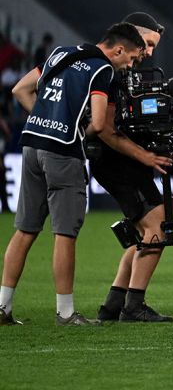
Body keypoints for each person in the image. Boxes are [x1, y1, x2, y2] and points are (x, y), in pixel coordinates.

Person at [1, 24, 146, 326]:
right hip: (63, 154)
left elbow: (21, 90)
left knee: (25, 230)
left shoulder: (60, 54)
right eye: (131, 58)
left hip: (31, 146)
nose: (129, 65)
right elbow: (100, 124)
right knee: (65, 233)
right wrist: (79, 129)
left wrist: (44, 119)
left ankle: (2, 307)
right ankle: (65, 313)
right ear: (118, 50)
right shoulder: (102, 69)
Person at [90, 12, 173, 323]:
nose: (149, 53)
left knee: (144, 231)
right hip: (116, 159)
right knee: (158, 225)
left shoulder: (120, 71)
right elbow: (107, 128)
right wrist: (145, 156)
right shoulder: (112, 71)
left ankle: (114, 305)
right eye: (148, 45)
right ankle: (134, 306)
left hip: (115, 159)